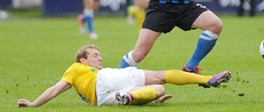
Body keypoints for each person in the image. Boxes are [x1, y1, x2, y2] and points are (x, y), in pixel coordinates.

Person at [17, 45, 231, 107]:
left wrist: (151, 98)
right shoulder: (76, 69)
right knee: (161, 77)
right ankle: (207, 79)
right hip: (108, 80)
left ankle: (131, 98)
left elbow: (58, 90)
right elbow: (55, 89)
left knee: (159, 91)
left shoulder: (84, 75)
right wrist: (35, 103)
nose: (99, 58)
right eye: (95, 55)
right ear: (82, 60)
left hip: (104, 100)